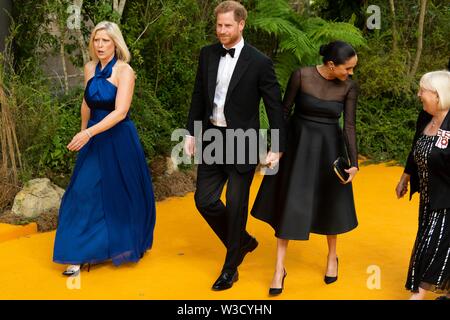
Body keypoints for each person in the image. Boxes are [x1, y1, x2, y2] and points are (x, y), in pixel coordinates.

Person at [184, 0, 286, 291]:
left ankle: (230, 269)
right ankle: (241, 241)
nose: (222, 30)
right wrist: (191, 132)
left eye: (227, 25)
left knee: (236, 205)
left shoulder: (259, 62)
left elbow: (274, 107)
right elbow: (198, 96)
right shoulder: (206, 55)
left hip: (243, 142)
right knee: (204, 200)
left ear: (241, 25)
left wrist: (276, 146)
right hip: (212, 138)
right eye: (218, 25)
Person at [251, 41, 359, 295]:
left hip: (329, 150)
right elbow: (284, 112)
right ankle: (279, 268)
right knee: (290, 204)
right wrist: (277, 148)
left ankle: (332, 257)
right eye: (348, 68)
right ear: (331, 65)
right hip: (298, 147)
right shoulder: (301, 75)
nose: (351, 73)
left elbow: (349, 126)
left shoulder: (349, 87)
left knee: (330, 202)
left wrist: (353, 163)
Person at [53, 21, 156, 276]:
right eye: (96, 40)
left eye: (105, 41)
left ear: (115, 43)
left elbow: (120, 112)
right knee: (81, 192)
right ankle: (77, 254)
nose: (100, 45)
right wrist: (83, 132)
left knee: (119, 193)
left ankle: (120, 242)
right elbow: (87, 104)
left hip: (118, 138)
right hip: (93, 137)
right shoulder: (89, 67)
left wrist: (88, 132)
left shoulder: (125, 71)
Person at [395, 70, 450, 300]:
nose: (419, 95)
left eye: (423, 91)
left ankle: (417, 296)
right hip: (428, 196)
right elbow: (415, 149)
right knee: (437, 243)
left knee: (432, 245)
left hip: (447, 197)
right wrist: (405, 177)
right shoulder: (425, 118)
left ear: (438, 95)